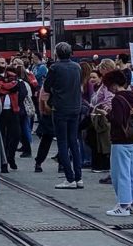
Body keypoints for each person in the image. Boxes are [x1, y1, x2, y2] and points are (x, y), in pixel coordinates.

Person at [102, 70, 133, 217]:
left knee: (120, 173)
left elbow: (118, 120)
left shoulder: (117, 99)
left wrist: (108, 114)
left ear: (113, 85)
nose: (108, 89)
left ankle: (123, 205)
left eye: (108, 86)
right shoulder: (132, 96)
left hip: (121, 140)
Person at [43, 42, 83, 189]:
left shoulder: (55, 68)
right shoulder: (77, 67)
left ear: (57, 54)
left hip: (60, 108)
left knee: (62, 142)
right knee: (74, 141)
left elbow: (47, 86)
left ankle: (70, 178)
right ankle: (78, 177)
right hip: (75, 107)